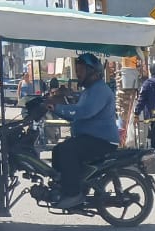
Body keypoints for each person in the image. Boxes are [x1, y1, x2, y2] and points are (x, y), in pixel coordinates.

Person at [45, 53, 117, 209]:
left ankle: (73, 194)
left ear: (92, 71)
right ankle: (63, 187)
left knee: (67, 151)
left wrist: (57, 107)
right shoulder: (89, 91)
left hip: (101, 141)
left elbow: (83, 112)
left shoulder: (99, 90)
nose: (78, 74)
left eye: (81, 70)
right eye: (77, 70)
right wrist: (55, 107)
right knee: (58, 150)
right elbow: (75, 114)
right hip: (89, 138)